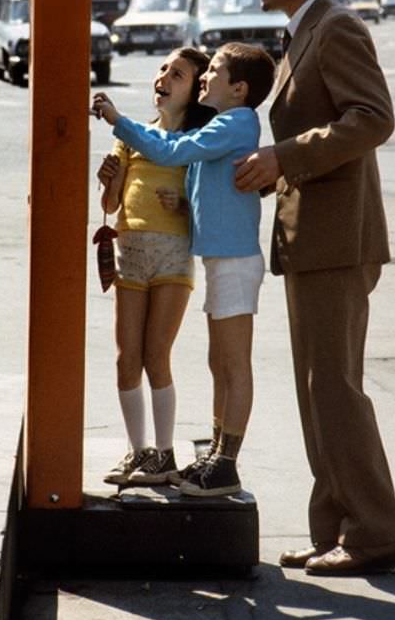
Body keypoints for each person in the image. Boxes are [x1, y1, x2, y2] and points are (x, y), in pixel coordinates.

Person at [234, 0, 395, 574]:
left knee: (334, 387)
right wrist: (267, 168)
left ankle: (374, 533)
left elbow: (373, 118)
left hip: (337, 237)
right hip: (309, 238)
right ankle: (335, 526)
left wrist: (285, 157)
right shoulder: (301, 33)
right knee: (318, 389)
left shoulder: (335, 28)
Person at [93, 42, 276, 497]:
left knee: (233, 365)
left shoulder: (237, 120)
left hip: (234, 259)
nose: (205, 78)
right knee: (220, 363)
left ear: (238, 88)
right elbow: (204, 185)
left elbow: (174, 151)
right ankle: (216, 456)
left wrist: (119, 121)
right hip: (221, 259)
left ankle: (226, 462)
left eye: (213, 70)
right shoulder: (224, 123)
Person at [96, 47, 212, 488]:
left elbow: (206, 204)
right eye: (163, 69)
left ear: (194, 92)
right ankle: (138, 450)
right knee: (127, 357)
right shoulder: (131, 137)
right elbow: (111, 205)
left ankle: (164, 456)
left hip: (173, 257)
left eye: (177, 74)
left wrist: (183, 204)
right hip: (130, 252)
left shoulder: (193, 143)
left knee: (155, 355)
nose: (163, 77)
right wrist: (110, 180)